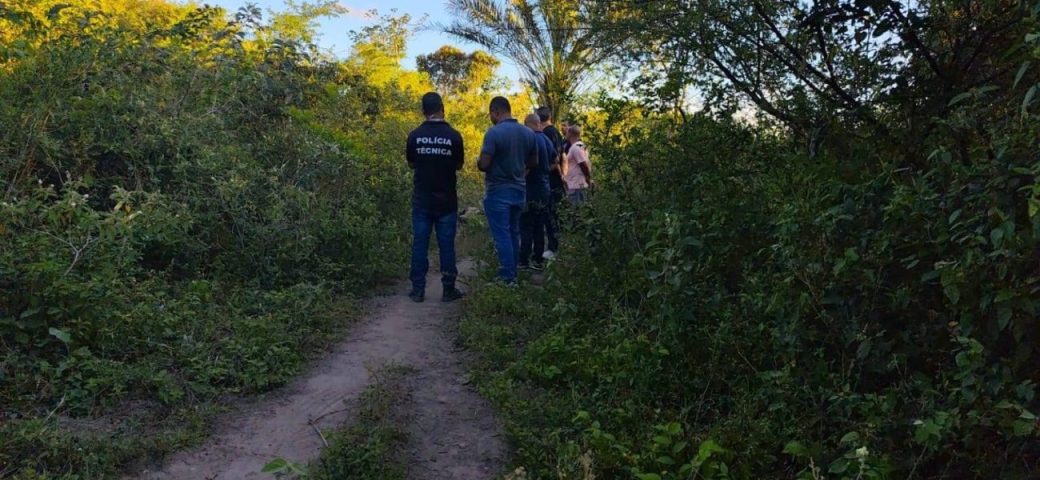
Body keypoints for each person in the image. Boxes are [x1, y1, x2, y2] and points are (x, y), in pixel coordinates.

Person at [405, 92, 465, 303]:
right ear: (442, 108)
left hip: (422, 200)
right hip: (447, 201)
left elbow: (411, 163)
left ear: (423, 111)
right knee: (446, 245)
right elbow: (458, 165)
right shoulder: (454, 136)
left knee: (420, 244)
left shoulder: (414, 136)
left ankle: (418, 290)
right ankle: (448, 289)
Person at [478, 96, 537, 285]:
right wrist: (520, 169)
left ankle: (506, 277)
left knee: (501, 234)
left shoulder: (494, 133)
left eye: (491, 114)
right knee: (513, 232)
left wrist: (478, 163)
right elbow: (534, 162)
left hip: (498, 191)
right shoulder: (528, 133)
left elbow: (484, 164)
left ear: (495, 111)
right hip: (520, 190)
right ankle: (512, 274)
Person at [519, 113, 553, 270]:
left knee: (526, 225)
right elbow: (555, 160)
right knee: (540, 226)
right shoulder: (547, 140)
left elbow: (528, 163)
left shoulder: (530, 139)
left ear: (528, 124)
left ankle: (523, 260)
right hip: (545, 188)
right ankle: (538, 260)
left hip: (531, 188)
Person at [536, 106, 563, 258]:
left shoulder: (546, 134)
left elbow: (555, 159)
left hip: (550, 181)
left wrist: (543, 170)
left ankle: (553, 248)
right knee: (552, 215)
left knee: (550, 215)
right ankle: (553, 247)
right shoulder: (555, 132)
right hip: (554, 179)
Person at [563, 124, 592, 204]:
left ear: (570, 133)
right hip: (576, 184)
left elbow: (583, 164)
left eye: (567, 132)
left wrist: (588, 178)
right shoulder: (580, 145)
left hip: (576, 186)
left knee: (577, 211)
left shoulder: (576, 147)